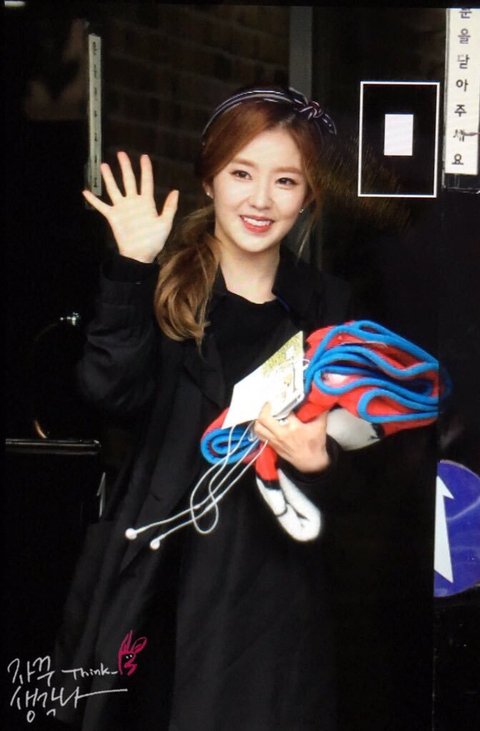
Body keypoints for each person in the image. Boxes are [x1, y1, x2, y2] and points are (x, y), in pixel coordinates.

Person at [53, 85, 353, 730]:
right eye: (242, 173)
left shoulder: (329, 309)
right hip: (156, 575)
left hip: (268, 592)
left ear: (308, 197)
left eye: (285, 181)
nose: (261, 199)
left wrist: (321, 461)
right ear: (210, 179)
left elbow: (369, 457)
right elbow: (109, 392)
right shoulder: (163, 285)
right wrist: (131, 265)